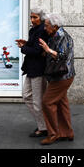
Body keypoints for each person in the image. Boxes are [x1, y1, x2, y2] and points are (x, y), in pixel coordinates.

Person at [38, 13, 75, 145]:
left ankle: (53, 134)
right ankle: (67, 133)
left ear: (54, 26)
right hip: (60, 76)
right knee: (61, 103)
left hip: (62, 76)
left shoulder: (62, 37)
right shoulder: (55, 35)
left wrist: (48, 50)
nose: (44, 28)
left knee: (47, 102)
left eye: (47, 26)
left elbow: (62, 56)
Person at [16, 8, 50, 138]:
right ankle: (43, 125)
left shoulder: (42, 30)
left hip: (38, 69)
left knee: (37, 101)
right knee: (26, 96)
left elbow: (37, 51)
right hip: (31, 69)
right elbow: (34, 46)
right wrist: (26, 43)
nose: (32, 19)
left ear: (40, 18)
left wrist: (23, 48)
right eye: (31, 17)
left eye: (35, 17)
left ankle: (44, 128)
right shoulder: (34, 30)